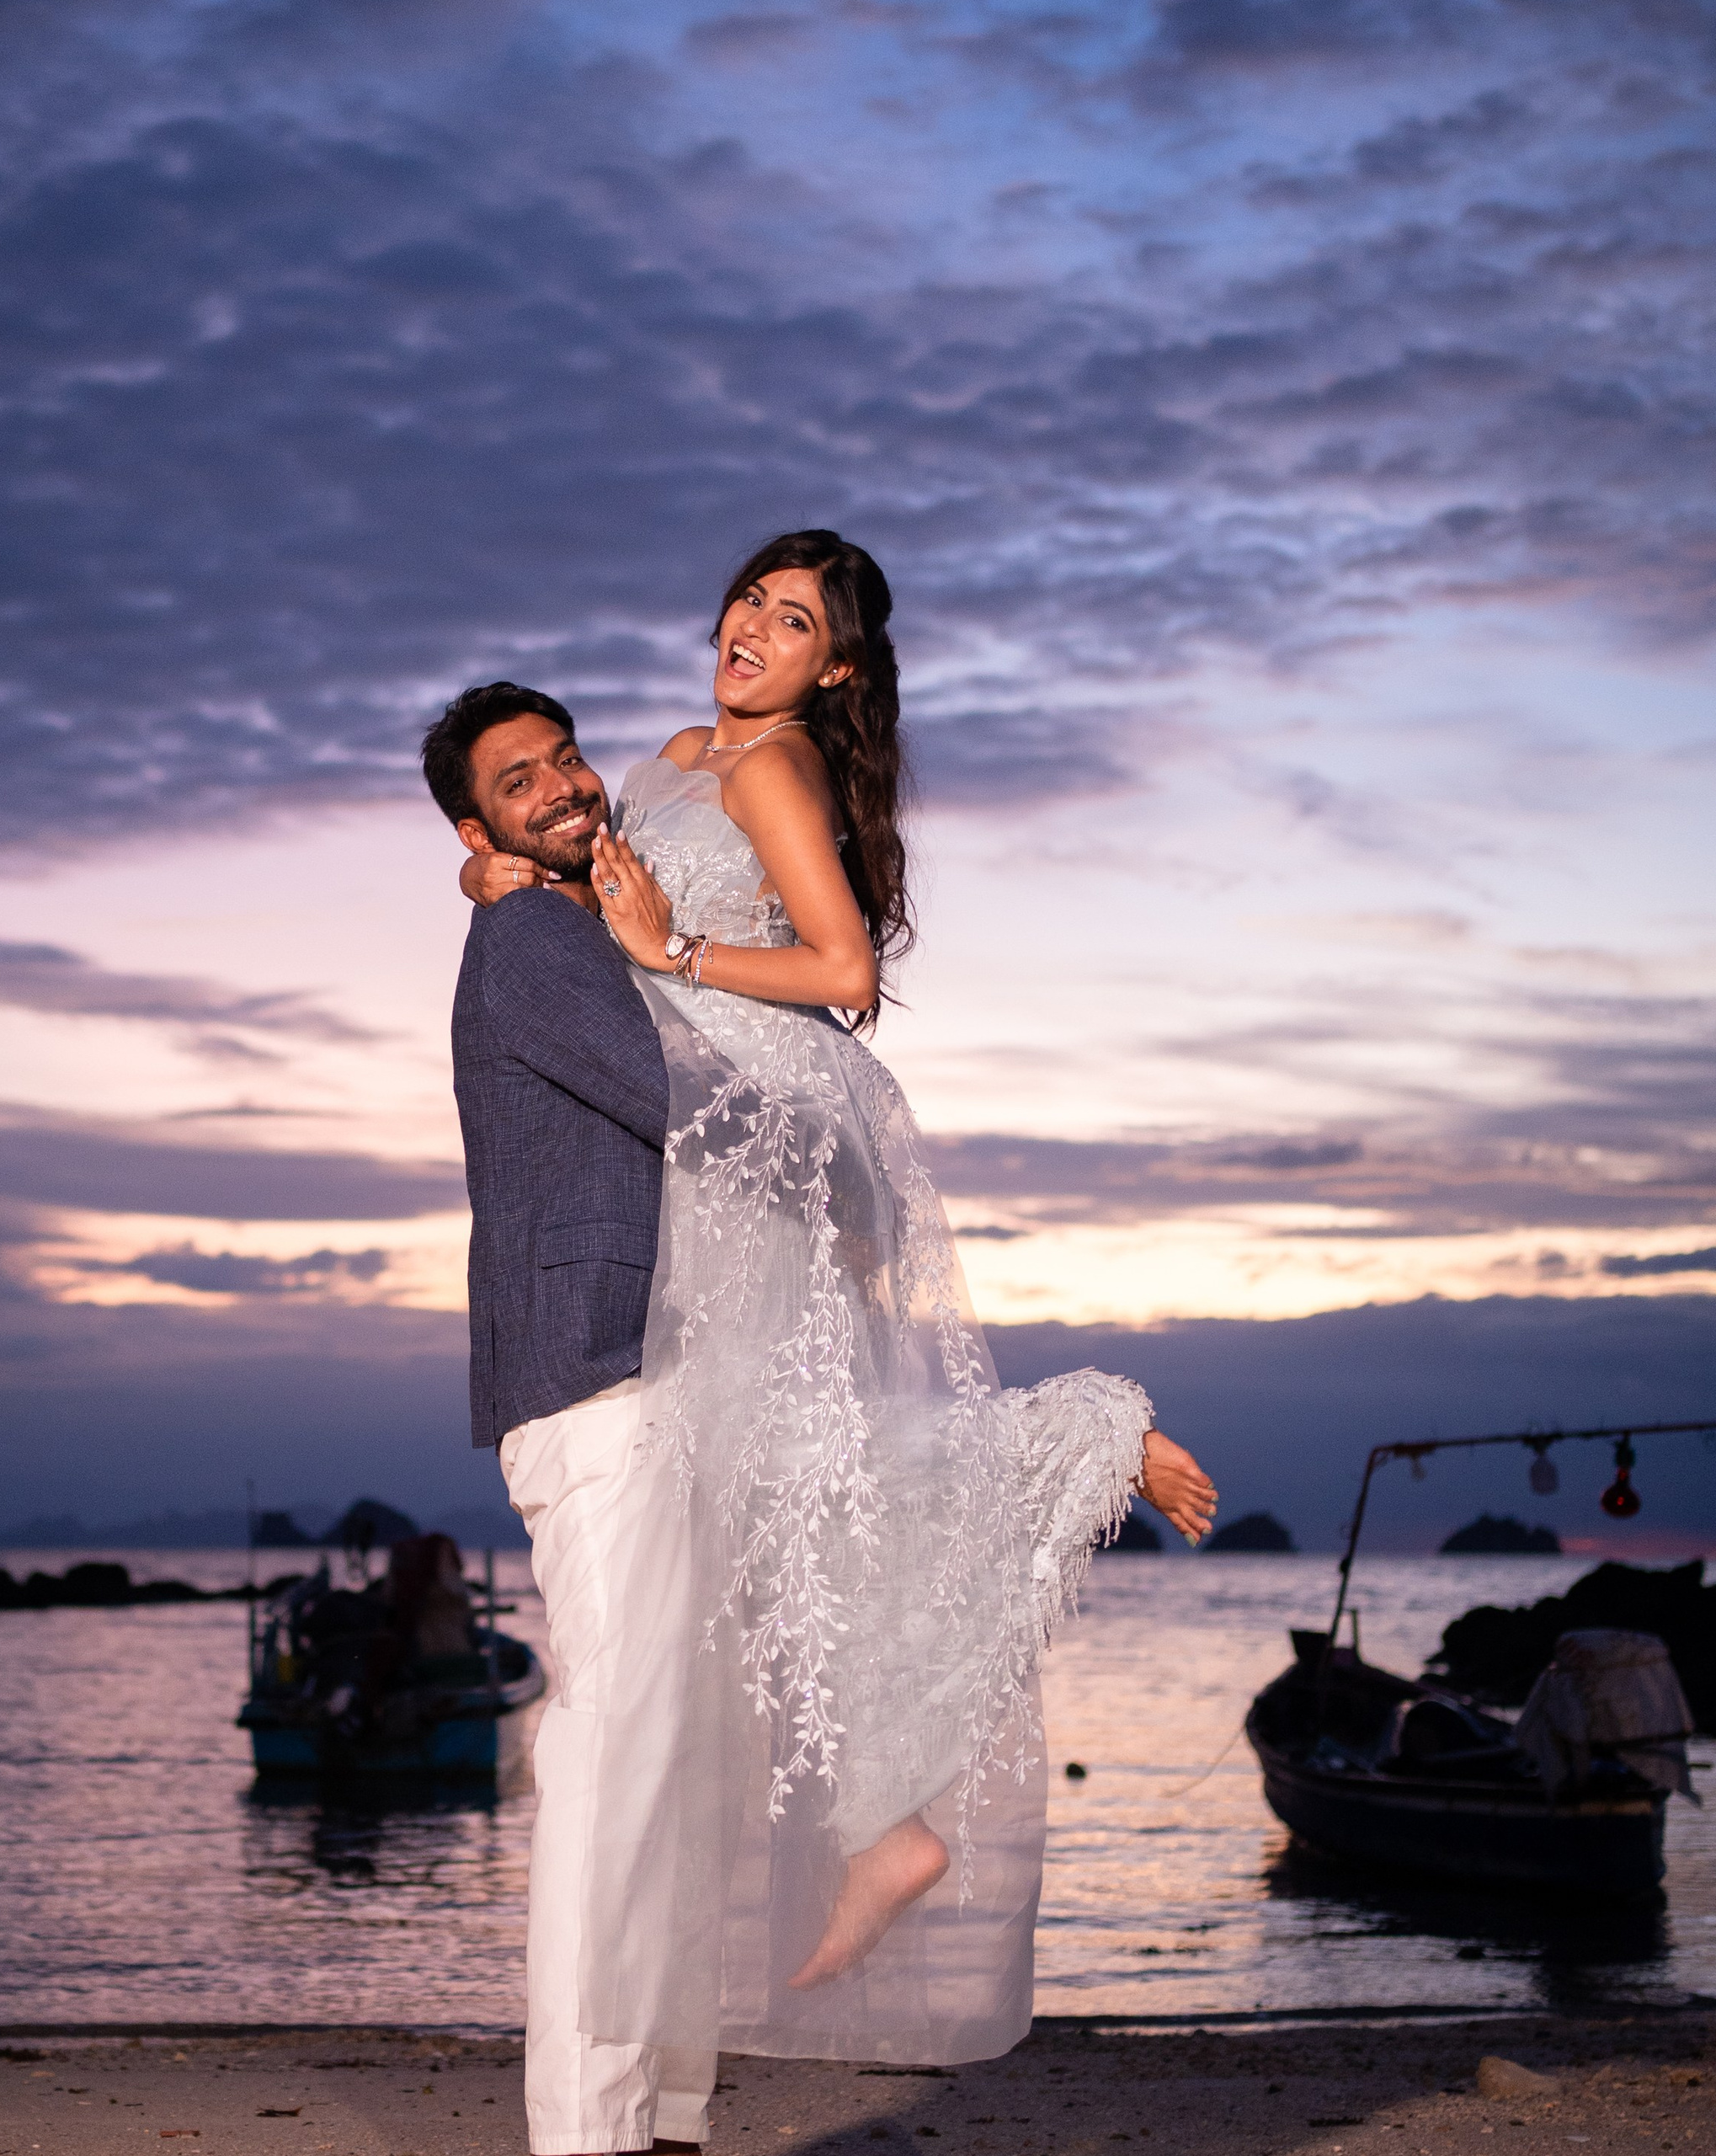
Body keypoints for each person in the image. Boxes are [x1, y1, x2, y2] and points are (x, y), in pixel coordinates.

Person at [426, 561, 1216, 2137]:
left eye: (796, 623)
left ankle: (664, 2090)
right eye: (749, 602)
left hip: (704, 1219)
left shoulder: (718, 797)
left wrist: (659, 954)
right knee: (665, 1697)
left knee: (742, 1602)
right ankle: (631, 2096)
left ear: (839, 673)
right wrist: (545, 897)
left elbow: (824, 985)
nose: (752, 633)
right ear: (475, 826)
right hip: (614, 1333)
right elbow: (634, 1017)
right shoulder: (570, 887)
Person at [423, 681, 715, 2156]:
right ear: (478, 830)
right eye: (514, 780)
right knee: (614, 1761)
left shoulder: (571, 910)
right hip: (597, 1375)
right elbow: (685, 1100)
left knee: (666, 1763)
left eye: (561, 756)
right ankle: (592, 2135)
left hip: (635, 1371)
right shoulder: (533, 934)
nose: (555, 782)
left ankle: (660, 2116)